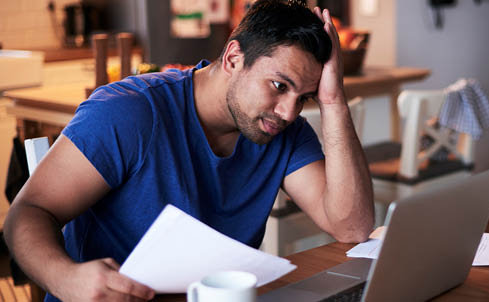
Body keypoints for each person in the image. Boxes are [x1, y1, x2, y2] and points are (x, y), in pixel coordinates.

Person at [4, 0, 374, 301]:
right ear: (233, 58)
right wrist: (66, 279)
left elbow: (353, 226)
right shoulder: (130, 112)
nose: (289, 111)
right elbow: (29, 211)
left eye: (304, 97)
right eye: (279, 85)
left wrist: (334, 101)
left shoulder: (282, 128)